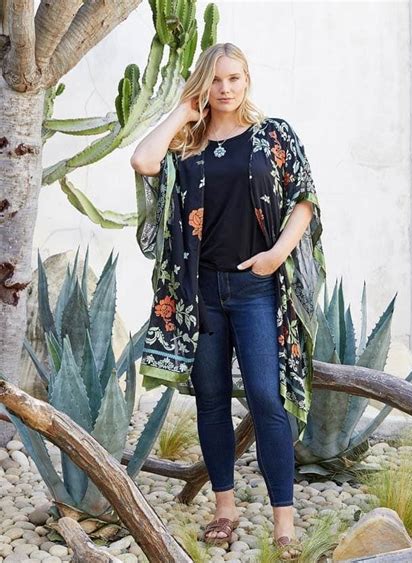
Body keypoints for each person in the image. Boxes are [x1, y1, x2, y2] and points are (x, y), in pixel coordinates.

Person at [131, 42, 326, 559]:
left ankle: (284, 522)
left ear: (247, 80)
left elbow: (304, 199)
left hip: (256, 287)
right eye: (215, 80)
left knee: (266, 397)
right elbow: (142, 160)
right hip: (201, 293)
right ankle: (225, 508)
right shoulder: (185, 146)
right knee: (212, 398)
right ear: (203, 85)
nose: (225, 89)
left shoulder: (273, 136)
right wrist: (183, 110)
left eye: (234, 78)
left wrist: (275, 256)